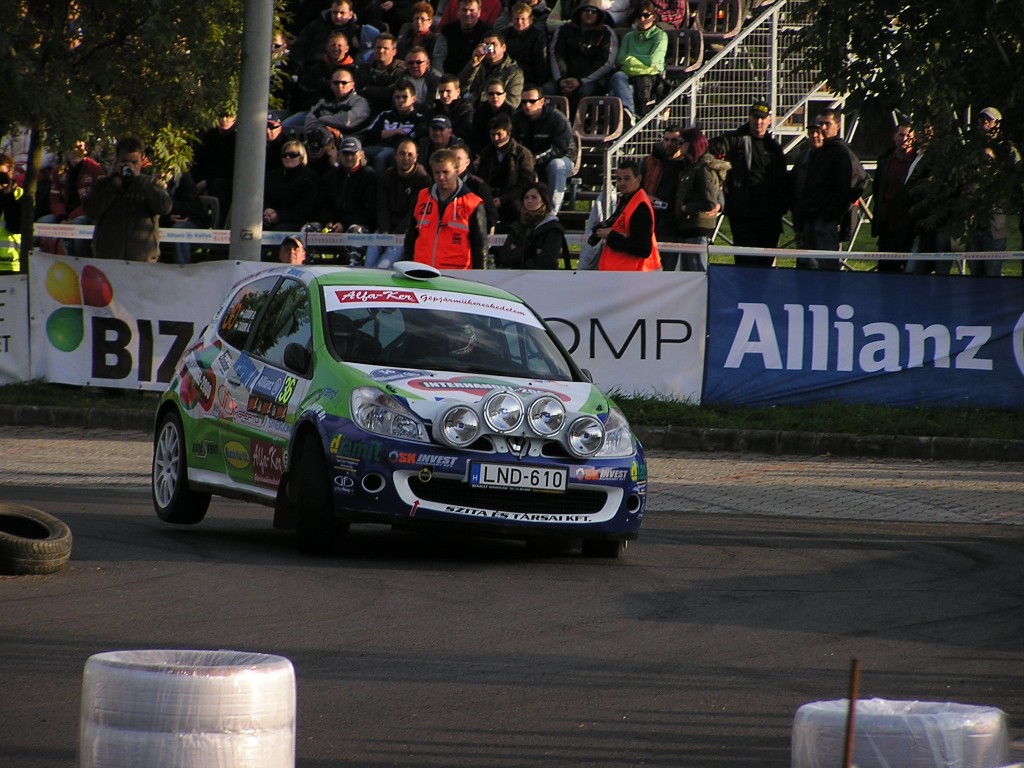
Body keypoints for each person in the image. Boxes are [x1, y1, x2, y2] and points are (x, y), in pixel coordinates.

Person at [709, 100, 788, 267]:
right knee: (745, 263)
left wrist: (780, 207)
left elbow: (782, 180)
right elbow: (710, 148)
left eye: (762, 118)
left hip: (769, 217)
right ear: (749, 118)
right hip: (743, 214)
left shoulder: (774, 147)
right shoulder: (735, 139)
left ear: (769, 120)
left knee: (765, 265)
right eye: (755, 117)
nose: (758, 122)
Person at [84, 137, 173, 263]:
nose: (130, 166)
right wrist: (113, 185)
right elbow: (91, 211)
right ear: (116, 160)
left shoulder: (152, 184)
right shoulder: (103, 185)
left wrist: (139, 181)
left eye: (134, 162)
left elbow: (165, 208)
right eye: (124, 162)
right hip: (108, 259)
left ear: (142, 160)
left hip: (142, 260)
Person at [798, 108, 864, 269]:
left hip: (826, 220)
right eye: (820, 124)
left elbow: (848, 187)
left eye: (827, 124)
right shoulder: (816, 151)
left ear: (838, 126)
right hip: (811, 217)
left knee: (826, 267)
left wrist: (830, 215)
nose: (823, 128)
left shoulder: (841, 152)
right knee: (808, 268)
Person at [403, 147, 488, 269]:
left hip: (456, 274)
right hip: (422, 270)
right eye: (437, 173)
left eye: (445, 172)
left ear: (456, 170)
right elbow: (410, 238)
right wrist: (408, 268)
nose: (441, 177)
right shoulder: (421, 198)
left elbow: (480, 248)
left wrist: (481, 276)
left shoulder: (472, 203)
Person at [966, 107, 1020, 277]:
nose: (984, 124)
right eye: (982, 121)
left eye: (988, 121)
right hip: (974, 221)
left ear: (997, 124)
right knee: (975, 273)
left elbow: (1016, 177)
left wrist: (995, 161)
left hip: (995, 221)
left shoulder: (1007, 149)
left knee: (993, 273)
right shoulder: (970, 149)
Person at [546, 0, 618, 116]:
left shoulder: (606, 33)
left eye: (593, 11)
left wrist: (580, 81)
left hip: (591, 80)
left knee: (584, 93)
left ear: (599, 14)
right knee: (547, 90)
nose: (589, 13)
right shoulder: (564, 29)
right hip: (564, 78)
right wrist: (561, 79)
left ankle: (574, 124)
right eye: (586, 10)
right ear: (579, 12)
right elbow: (556, 54)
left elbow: (606, 62)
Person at [512, 85, 575, 213]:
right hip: (531, 160)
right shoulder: (517, 118)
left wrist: (534, 160)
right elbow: (514, 144)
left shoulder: (557, 118)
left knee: (556, 165)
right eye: (524, 102)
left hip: (563, 158)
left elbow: (560, 149)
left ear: (541, 102)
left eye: (532, 101)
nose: (527, 105)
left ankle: (551, 212)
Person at [672, 126, 729, 271]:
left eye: (682, 142)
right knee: (688, 274)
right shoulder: (690, 166)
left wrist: (686, 208)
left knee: (698, 272)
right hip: (687, 227)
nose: (679, 146)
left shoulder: (704, 168)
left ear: (692, 144)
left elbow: (709, 202)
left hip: (698, 228)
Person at [36, 141, 105, 258]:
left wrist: (72, 217)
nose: (75, 151)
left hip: (86, 212)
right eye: (72, 148)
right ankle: (37, 260)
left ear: (86, 150)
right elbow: (55, 198)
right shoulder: (58, 170)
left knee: (77, 226)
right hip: (64, 214)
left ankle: (81, 261)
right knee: (41, 223)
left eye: (79, 148)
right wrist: (61, 217)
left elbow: (95, 200)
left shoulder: (95, 169)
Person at [594, 157, 660, 270]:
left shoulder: (640, 207)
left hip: (635, 274)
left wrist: (611, 236)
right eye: (619, 179)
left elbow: (643, 248)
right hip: (624, 273)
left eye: (627, 178)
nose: (622, 183)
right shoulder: (626, 200)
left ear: (638, 179)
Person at [375, 138, 431, 268]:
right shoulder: (386, 176)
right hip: (386, 228)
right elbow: (382, 207)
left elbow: (413, 213)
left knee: (383, 266)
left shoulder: (423, 180)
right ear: (395, 155)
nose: (406, 158)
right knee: (372, 248)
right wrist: (385, 230)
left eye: (410, 154)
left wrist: (395, 235)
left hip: (407, 232)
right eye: (402, 153)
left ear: (416, 157)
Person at [871, 119, 918, 273]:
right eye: (901, 135)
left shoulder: (918, 162)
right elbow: (878, 189)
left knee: (906, 269)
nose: (904, 139)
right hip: (886, 222)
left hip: (908, 224)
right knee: (885, 267)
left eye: (908, 136)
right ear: (894, 136)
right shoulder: (885, 161)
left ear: (914, 138)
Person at [475, 113, 536, 230]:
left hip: (513, 197)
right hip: (490, 196)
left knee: (516, 208)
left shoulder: (523, 154)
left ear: (508, 133)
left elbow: (525, 184)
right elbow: (481, 180)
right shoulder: (486, 153)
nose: (496, 138)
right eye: (493, 134)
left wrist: (503, 200)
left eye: (499, 134)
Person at [609, 1, 668, 119]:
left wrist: (630, 59)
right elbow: (620, 60)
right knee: (618, 76)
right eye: (638, 16)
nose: (642, 19)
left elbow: (653, 60)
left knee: (635, 85)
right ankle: (629, 114)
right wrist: (642, 63)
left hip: (651, 77)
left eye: (646, 15)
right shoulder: (629, 37)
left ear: (654, 17)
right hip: (630, 75)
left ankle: (631, 116)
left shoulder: (660, 36)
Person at [291, 0, 380, 73]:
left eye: (342, 13)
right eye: (335, 12)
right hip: (311, 67)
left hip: (342, 71)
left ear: (350, 14)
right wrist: (299, 65)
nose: (338, 16)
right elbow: (299, 46)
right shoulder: (316, 25)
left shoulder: (356, 33)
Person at [641, 126, 687, 269]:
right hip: (650, 220)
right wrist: (647, 196)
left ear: (681, 142)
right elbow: (636, 188)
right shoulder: (650, 161)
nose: (668, 144)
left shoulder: (686, 164)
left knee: (669, 268)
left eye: (673, 140)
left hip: (673, 224)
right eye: (666, 139)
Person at [496, 181, 567, 268]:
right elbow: (505, 257)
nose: (529, 201)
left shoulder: (553, 228)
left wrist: (521, 260)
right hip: (516, 275)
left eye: (534, 197)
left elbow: (548, 260)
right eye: (526, 198)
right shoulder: (517, 226)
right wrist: (532, 252)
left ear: (543, 200)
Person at [289, 31, 357, 121]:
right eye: (333, 45)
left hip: (339, 115)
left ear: (347, 48)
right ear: (327, 47)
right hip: (312, 111)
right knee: (286, 124)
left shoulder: (353, 70)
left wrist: (324, 87)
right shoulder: (318, 68)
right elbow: (305, 89)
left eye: (339, 45)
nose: (336, 48)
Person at [362, 82, 428, 173]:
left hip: (398, 151)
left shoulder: (419, 119)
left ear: (413, 99)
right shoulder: (385, 115)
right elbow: (369, 134)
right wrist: (395, 131)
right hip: (377, 147)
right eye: (397, 97)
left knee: (380, 157)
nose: (400, 100)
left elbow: (411, 139)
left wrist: (384, 134)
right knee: (357, 153)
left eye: (404, 97)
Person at [263, 140, 321, 234]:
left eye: (293, 155)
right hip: (270, 218)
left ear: (301, 156)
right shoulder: (272, 176)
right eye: (284, 155)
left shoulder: (310, 178)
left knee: (280, 229)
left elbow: (306, 208)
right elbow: (263, 197)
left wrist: (279, 217)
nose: (287, 157)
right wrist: (267, 209)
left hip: (298, 222)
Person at [304, 66, 373, 138]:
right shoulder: (322, 103)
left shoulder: (359, 101)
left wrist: (321, 120)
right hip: (325, 138)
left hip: (350, 139)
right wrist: (325, 130)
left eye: (344, 83)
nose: (340, 86)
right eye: (336, 83)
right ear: (331, 85)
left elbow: (347, 121)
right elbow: (309, 124)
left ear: (352, 85)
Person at [460, 32, 525, 107]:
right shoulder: (478, 64)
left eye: (493, 44)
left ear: (503, 48)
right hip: (470, 108)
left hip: (493, 111)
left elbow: (512, 102)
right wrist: (473, 65)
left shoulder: (513, 72)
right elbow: (460, 86)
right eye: (486, 45)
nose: (490, 48)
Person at [161, 169, 211, 265]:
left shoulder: (184, 179)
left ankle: (181, 267)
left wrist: (169, 214)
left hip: (192, 219)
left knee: (178, 229)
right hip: (166, 220)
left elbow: (188, 207)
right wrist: (168, 218)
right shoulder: (151, 179)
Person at [191, 113, 236, 220]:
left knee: (218, 185)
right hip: (205, 176)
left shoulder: (237, 137)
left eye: (228, 116)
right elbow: (198, 160)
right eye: (221, 116)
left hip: (226, 180)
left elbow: (231, 168)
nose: (224, 120)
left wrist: (207, 181)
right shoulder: (209, 136)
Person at [434, 0, 494, 76]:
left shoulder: (488, 32)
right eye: (464, 10)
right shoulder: (447, 31)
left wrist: (482, 49)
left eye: (472, 10)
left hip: (474, 77)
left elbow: (492, 49)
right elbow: (438, 57)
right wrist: (442, 78)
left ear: (479, 12)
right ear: (458, 11)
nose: (467, 13)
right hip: (447, 76)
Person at [789, 122, 823, 249]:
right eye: (811, 132)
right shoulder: (802, 157)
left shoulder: (834, 155)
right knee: (803, 257)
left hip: (825, 222)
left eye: (818, 132)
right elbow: (792, 187)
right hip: (802, 221)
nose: (814, 136)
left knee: (825, 257)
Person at [356, 33, 408, 114]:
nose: (381, 51)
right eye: (378, 47)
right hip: (364, 110)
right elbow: (358, 92)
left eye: (385, 48)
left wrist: (368, 89)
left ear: (394, 52)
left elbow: (392, 94)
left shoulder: (401, 70)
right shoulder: (363, 69)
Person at [502, 3, 550, 90]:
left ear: (530, 19)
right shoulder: (504, 34)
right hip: (507, 76)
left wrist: (536, 85)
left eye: (523, 19)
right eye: (516, 19)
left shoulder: (538, 36)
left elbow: (541, 64)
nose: (519, 22)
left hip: (530, 79)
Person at [452, 143, 499, 232]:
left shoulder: (479, 185)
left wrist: (474, 231)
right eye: (452, 158)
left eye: (459, 158)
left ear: (467, 162)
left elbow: (492, 216)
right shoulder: (442, 184)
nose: (455, 162)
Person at [469, 77, 517, 154]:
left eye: (498, 93)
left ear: (504, 95)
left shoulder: (512, 113)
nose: (495, 96)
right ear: (487, 96)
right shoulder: (480, 112)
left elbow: (514, 137)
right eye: (491, 94)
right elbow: (475, 137)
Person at [0, 154, 24, 272]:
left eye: (1, 173)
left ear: (10, 173)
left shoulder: (20, 194)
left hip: (10, 263)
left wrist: (8, 196)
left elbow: (16, 227)